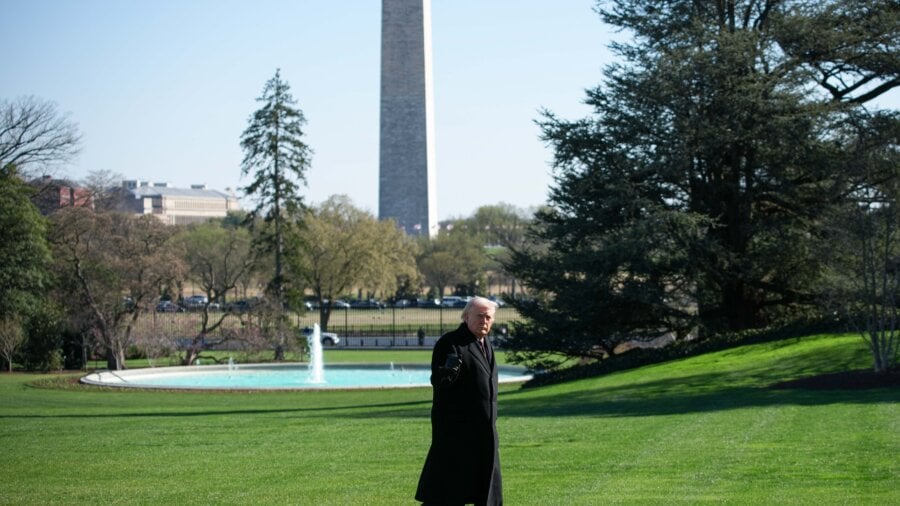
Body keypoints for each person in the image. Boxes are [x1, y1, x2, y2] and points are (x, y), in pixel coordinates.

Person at [415, 296, 503, 506]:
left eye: (488, 317)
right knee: (448, 493)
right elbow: (440, 381)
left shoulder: (485, 343)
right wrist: (448, 371)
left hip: (485, 433)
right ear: (465, 316)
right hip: (458, 434)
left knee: (486, 492)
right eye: (479, 316)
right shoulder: (451, 343)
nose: (484, 321)